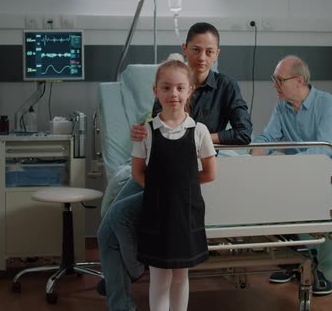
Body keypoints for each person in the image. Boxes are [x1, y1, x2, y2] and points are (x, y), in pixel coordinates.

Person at [97, 22, 252, 311]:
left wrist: (197, 135)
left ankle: (129, 271)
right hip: (157, 173)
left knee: (120, 219)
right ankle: (121, 294)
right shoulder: (168, 80)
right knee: (108, 226)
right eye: (195, 50)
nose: (202, 57)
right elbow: (156, 127)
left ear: (217, 53)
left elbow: (244, 133)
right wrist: (142, 133)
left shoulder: (226, 87)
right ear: (185, 49)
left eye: (208, 51)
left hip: (185, 174)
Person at [251, 55, 332, 295]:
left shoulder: (327, 104)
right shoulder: (282, 107)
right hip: (297, 173)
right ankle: (293, 259)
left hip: (327, 173)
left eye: (278, 80)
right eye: (273, 79)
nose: (274, 84)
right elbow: (268, 138)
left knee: (317, 209)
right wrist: (252, 153)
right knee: (267, 196)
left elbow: (323, 147)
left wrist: (288, 167)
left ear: (298, 80)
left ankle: (324, 269)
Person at [132, 59, 216, 311]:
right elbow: (138, 173)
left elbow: (210, 174)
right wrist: (161, 189)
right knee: (158, 277)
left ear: (190, 90)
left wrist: (182, 187)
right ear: (155, 90)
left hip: (186, 215)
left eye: (180, 88)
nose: (173, 94)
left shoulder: (199, 131)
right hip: (156, 214)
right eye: (166, 88)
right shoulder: (145, 132)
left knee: (181, 275)